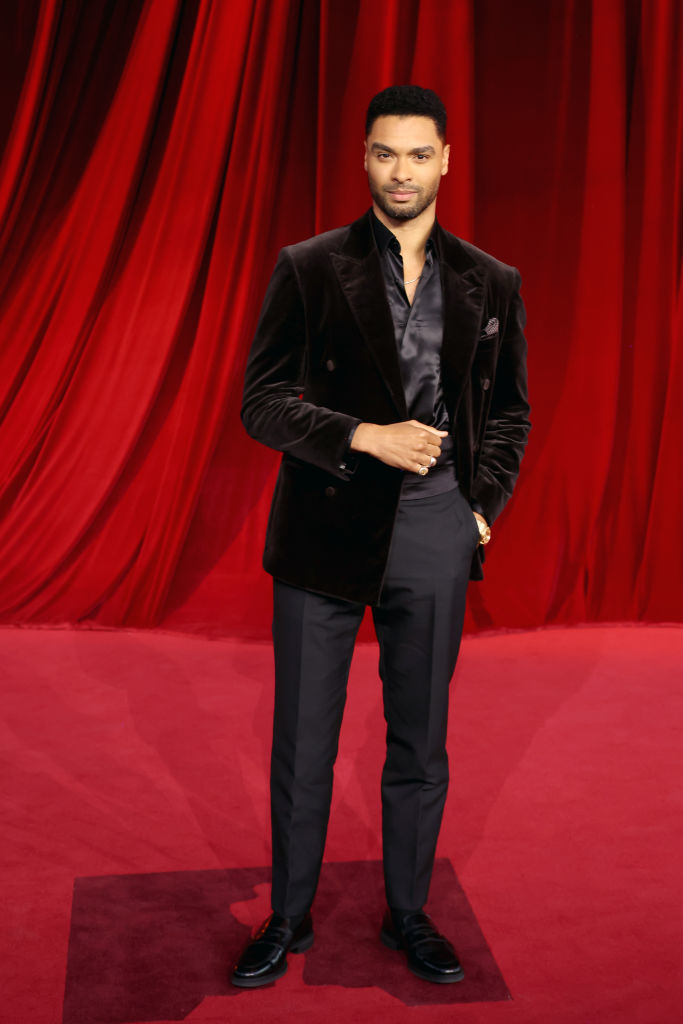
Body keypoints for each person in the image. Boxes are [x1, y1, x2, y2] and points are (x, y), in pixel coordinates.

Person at [232, 85, 530, 988]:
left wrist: (477, 510)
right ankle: (287, 916)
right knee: (304, 740)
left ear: (444, 161)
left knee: (421, 739)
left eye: (416, 154)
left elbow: (510, 414)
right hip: (327, 522)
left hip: (438, 524)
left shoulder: (492, 281)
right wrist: (361, 435)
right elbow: (260, 404)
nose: (399, 171)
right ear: (364, 160)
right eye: (382, 154)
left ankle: (409, 914)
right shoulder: (309, 266)